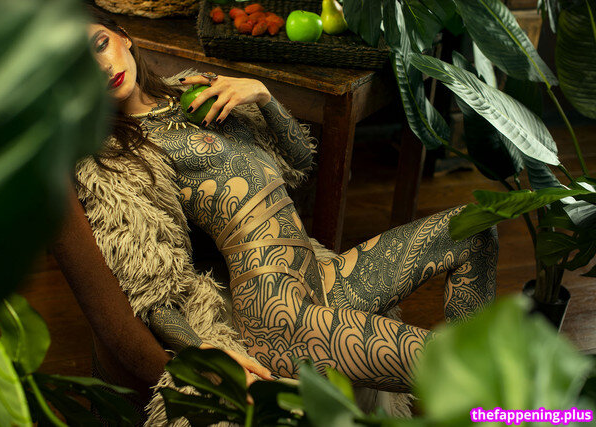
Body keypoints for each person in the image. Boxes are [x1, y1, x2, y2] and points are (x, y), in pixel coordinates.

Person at [71, 7, 498, 393]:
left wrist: (263, 96)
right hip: (277, 314)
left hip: (323, 277)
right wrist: (201, 351)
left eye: (100, 45)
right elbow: (149, 281)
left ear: (124, 36)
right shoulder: (116, 157)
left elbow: (300, 161)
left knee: (476, 226)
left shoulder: (196, 90)